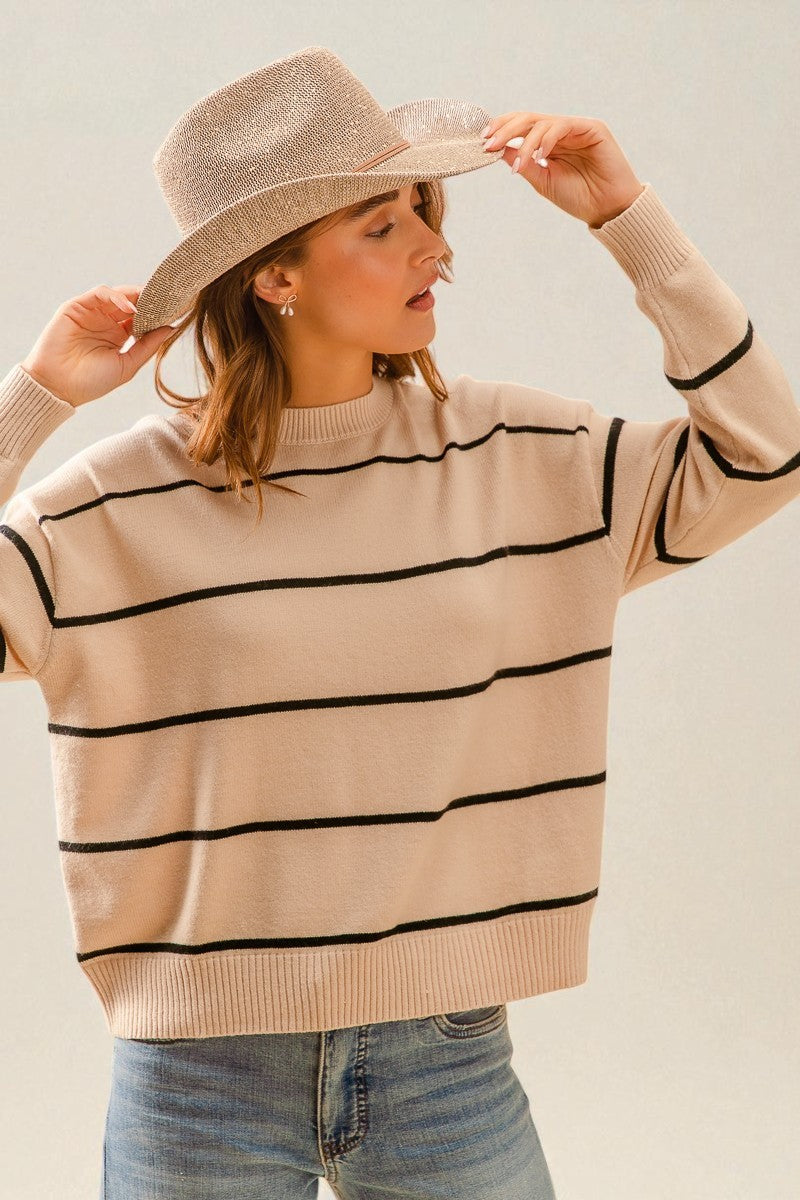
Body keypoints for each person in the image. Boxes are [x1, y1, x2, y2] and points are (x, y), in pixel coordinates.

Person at [2, 45, 798, 1200]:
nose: (435, 246)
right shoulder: (111, 508)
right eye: (382, 225)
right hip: (198, 1074)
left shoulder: (523, 459)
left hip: (447, 1063)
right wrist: (35, 400)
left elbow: (762, 453)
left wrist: (626, 218)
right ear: (274, 275)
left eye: (422, 208)